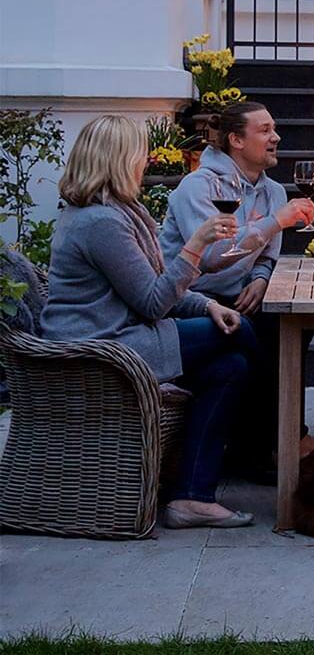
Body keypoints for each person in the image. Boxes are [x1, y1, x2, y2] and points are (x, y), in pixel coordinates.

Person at [38, 115, 256, 529]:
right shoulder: (100, 223)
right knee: (244, 331)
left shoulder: (117, 212)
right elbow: (155, 302)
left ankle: (192, 496)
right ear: (119, 160)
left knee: (230, 367)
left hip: (126, 334)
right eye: (141, 153)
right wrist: (196, 245)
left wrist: (207, 305)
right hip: (104, 346)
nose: (148, 160)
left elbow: (153, 284)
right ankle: (271, 443)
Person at [160, 101, 314, 480]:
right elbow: (211, 256)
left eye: (274, 128)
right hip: (190, 300)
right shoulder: (198, 187)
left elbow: (266, 257)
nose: (276, 137)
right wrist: (275, 223)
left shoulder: (274, 191)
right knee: (264, 340)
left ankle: (265, 445)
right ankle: (280, 441)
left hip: (241, 295)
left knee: (298, 323)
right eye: (264, 130)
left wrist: (261, 280)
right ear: (235, 140)